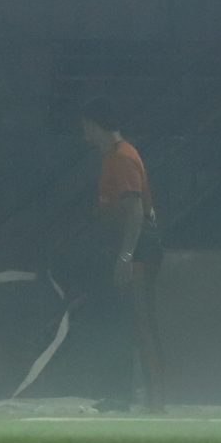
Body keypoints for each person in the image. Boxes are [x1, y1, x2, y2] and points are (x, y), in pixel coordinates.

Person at [78, 99, 163, 413]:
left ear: (94, 125)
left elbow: (134, 211)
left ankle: (156, 401)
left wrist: (126, 255)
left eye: (86, 128)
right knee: (128, 324)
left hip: (139, 249)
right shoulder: (112, 157)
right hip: (130, 248)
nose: (84, 136)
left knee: (142, 323)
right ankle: (124, 395)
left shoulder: (123, 158)